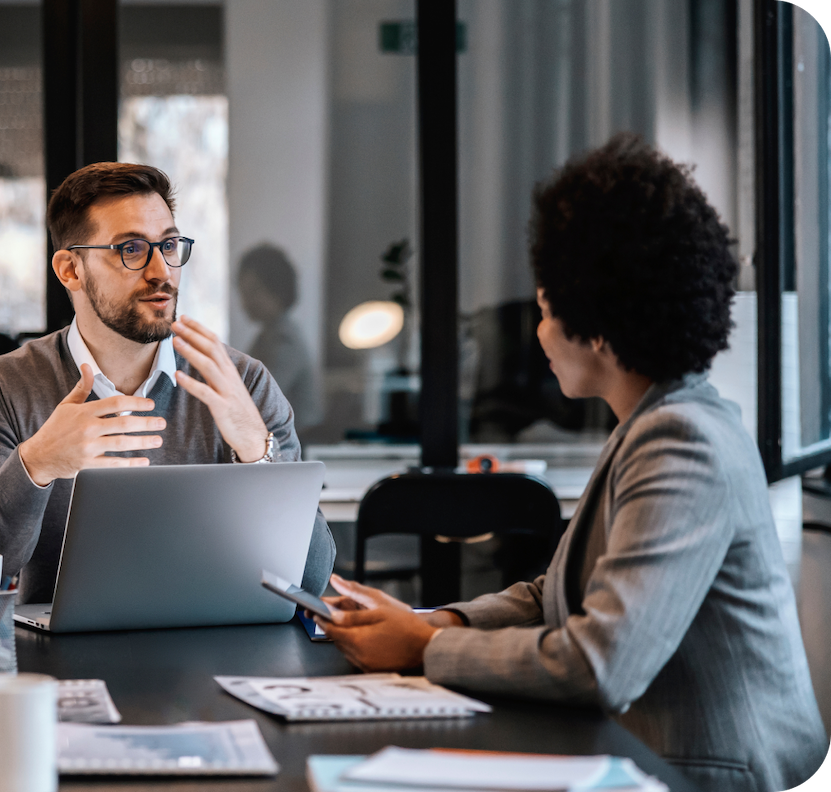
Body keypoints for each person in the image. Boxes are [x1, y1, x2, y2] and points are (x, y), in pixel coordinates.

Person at [314, 134, 826, 792]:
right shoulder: (651, 423)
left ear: (599, 323)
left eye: (548, 310)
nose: (539, 332)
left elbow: (601, 663)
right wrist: (433, 620)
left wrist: (424, 649)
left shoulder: (682, 440)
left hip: (718, 777)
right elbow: (553, 595)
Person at [0, 162, 334, 603]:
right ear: (71, 269)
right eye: (131, 249)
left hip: (216, 654)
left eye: (168, 245)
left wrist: (254, 448)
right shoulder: (3, 386)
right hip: (61, 660)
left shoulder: (243, 383)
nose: (160, 271)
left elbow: (311, 581)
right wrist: (36, 465)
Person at [237, 243, 316, 423]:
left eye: (254, 291)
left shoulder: (285, 340)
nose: (245, 301)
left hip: (295, 444)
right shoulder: (265, 336)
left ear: (277, 290)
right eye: (243, 292)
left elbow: (259, 399)